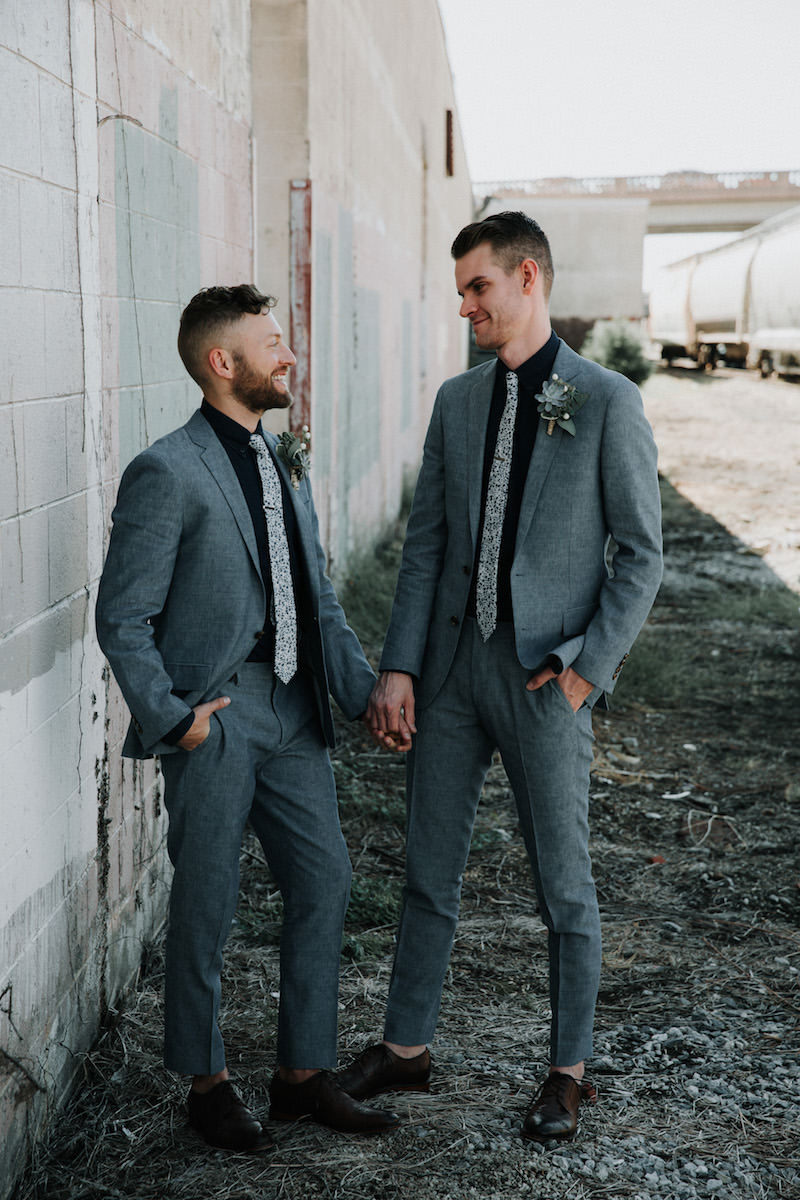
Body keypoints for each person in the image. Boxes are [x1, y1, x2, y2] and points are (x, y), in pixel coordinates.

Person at [338, 212, 663, 1143]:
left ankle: (567, 1071)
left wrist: (583, 673)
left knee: (563, 883)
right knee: (426, 867)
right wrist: (400, 666)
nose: (466, 307)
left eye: (476, 288)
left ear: (527, 278)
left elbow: (641, 557)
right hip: (451, 672)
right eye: (460, 293)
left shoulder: (606, 400)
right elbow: (426, 546)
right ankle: (406, 1049)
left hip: (543, 679)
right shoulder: (457, 402)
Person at [96, 284, 400, 1152]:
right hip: (219, 719)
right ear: (221, 363)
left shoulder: (281, 459)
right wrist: (178, 719)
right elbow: (122, 615)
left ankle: (302, 1077)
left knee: (326, 880)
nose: (289, 356)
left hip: (296, 713)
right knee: (208, 899)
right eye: (273, 344)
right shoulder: (167, 469)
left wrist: (364, 690)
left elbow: (319, 594)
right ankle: (207, 1081)